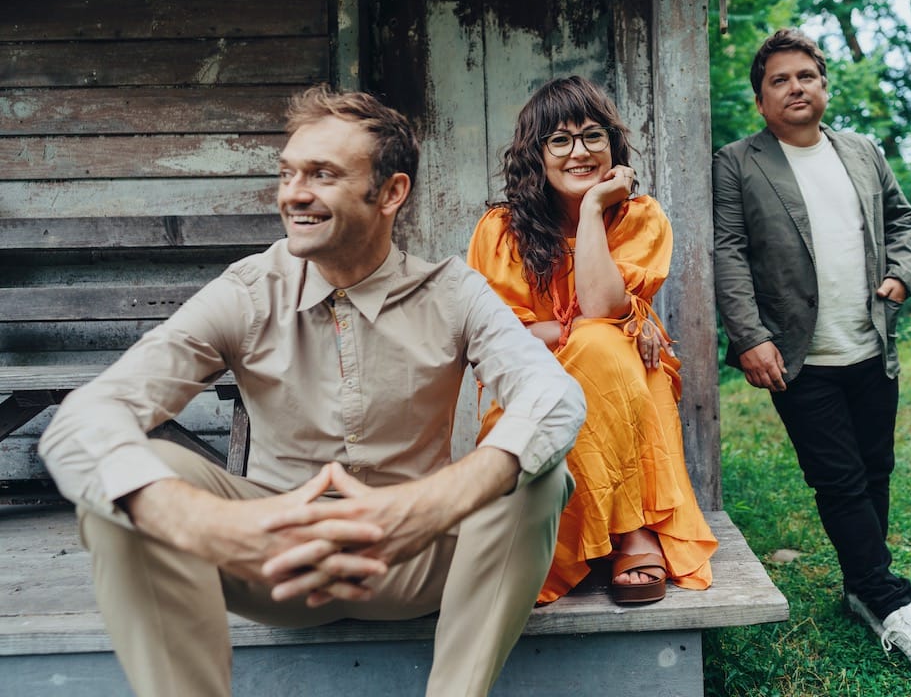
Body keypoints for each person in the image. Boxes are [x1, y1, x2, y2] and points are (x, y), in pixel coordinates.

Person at [38, 84, 585, 697]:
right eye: (287, 173)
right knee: (134, 477)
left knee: (536, 474)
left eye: (322, 174)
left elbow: (555, 397)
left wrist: (432, 503)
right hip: (271, 562)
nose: (293, 193)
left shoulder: (454, 293)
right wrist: (198, 519)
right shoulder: (248, 290)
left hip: (417, 558)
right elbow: (84, 420)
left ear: (391, 193)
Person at [711, 29, 911, 690]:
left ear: (823, 86)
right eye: (780, 80)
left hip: (871, 344)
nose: (796, 87)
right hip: (798, 357)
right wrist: (749, 335)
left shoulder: (862, 150)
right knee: (839, 480)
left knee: (875, 469)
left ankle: (860, 587)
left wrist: (900, 275)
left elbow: (903, 222)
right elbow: (728, 252)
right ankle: (892, 602)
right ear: (761, 99)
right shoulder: (737, 162)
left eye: (806, 76)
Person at [467, 76, 717, 606]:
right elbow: (494, 339)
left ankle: (628, 530)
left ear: (612, 145)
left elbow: (600, 304)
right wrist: (586, 327)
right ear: (536, 155)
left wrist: (591, 209)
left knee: (601, 344)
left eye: (592, 136)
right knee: (598, 343)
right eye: (560, 140)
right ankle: (627, 534)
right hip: (533, 389)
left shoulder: (639, 218)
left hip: (621, 382)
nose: (579, 152)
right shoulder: (500, 229)